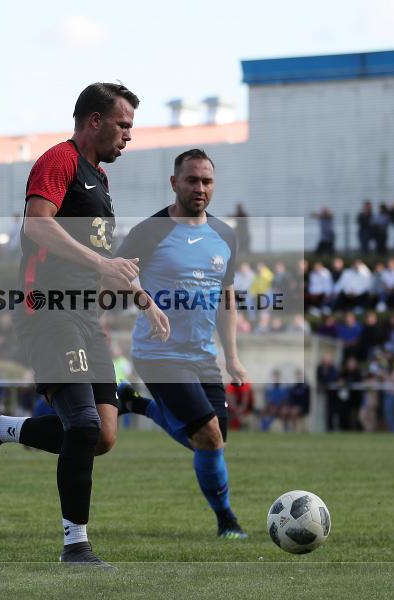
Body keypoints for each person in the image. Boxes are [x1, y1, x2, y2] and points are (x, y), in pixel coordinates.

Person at [0, 82, 145, 566]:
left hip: (87, 318)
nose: (128, 135)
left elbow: (101, 261)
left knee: (102, 434)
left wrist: (144, 297)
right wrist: (101, 264)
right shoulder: (59, 160)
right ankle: (75, 546)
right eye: (122, 124)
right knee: (83, 425)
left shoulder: (100, 182)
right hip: (47, 310)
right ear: (94, 121)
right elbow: (37, 224)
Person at [112, 148, 249, 539]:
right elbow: (115, 277)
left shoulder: (224, 236)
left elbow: (226, 299)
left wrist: (234, 357)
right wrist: (147, 303)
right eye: (192, 180)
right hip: (159, 354)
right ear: (175, 183)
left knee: (211, 442)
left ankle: (136, 404)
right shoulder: (150, 232)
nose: (200, 188)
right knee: (208, 435)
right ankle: (227, 521)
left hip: (203, 358)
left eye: (206, 181)